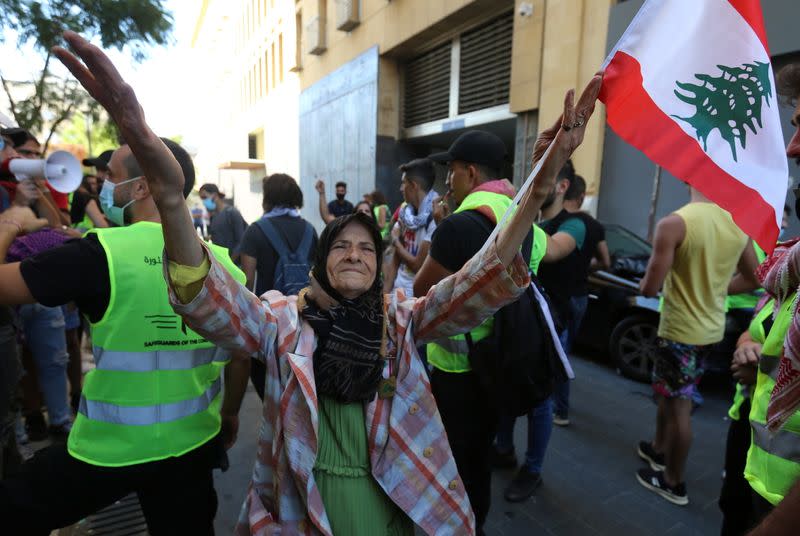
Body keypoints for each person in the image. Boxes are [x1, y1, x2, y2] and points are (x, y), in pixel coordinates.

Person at [45, 31, 602, 535]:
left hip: (397, 503)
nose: (356, 254)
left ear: (380, 264)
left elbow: (481, 278)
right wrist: (169, 197)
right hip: (302, 511)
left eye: (367, 247)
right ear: (319, 262)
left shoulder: (402, 320)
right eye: (341, 245)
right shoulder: (279, 322)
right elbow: (207, 296)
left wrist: (539, 181)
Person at [0, 123, 250, 533]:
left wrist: (11, 223)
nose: (101, 185)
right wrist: (231, 414)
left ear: (140, 188)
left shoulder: (98, 255)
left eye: (111, 177)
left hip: (106, 452)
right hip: (190, 448)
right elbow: (240, 356)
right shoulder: (226, 265)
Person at [411, 130, 536, 525]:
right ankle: (476, 521)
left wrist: (440, 233)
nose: (447, 181)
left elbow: (420, 290)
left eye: (450, 171)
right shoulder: (521, 219)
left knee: (453, 462)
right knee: (479, 457)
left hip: (457, 372)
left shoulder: (458, 226)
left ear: (469, 172)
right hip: (502, 361)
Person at [636, 185, 757, 505]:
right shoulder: (737, 224)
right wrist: (716, 289)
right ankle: (659, 450)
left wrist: (646, 282)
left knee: (680, 406)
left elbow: (650, 288)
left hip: (679, 331)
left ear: (691, 178)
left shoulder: (674, 224)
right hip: (710, 331)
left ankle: (673, 482)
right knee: (670, 393)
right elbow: (753, 277)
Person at [537, 168, 607, 426]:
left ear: (564, 188)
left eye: (544, 180)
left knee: (559, 358)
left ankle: (561, 409)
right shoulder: (589, 225)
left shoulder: (577, 225)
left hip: (565, 303)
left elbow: (551, 251)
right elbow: (605, 261)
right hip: (569, 298)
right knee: (557, 358)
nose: (536, 187)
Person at [240, 172, 318, 399]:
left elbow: (246, 282)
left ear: (268, 197)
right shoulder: (310, 230)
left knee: (269, 390)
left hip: (270, 325)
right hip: (306, 324)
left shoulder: (255, 231)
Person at [382, 158, 437, 297]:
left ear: (413, 185)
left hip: (416, 297)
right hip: (397, 292)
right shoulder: (405, 213)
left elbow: (417, 265)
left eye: (403, 183)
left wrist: (395, 240)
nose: (401, 188)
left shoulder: (435, 218)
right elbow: (395, 260)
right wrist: (385, 296)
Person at [199, 182, 248, 263]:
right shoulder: (213, 216)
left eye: (204, 197)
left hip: (234, 265)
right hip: (221, 264)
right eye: (202, 199)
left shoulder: (232, 213)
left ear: (214, 195)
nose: (203, 202)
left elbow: (241, 241)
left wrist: (230, 263)